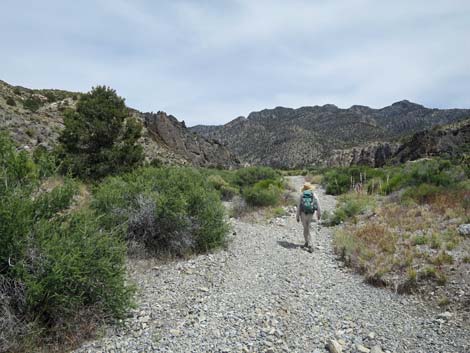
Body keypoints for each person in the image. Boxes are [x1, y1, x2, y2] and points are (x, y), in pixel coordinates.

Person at [296, 183, 321, 253]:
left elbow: (298, 207)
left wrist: (297, 216)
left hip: (303, 214)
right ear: (310, 188)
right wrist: (319, 214)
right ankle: (312, 245)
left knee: (305, 228)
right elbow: (318, 205)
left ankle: (306, 242)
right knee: (311, 229)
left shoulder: (301, 195)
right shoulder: (314, 195)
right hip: (312, 214)